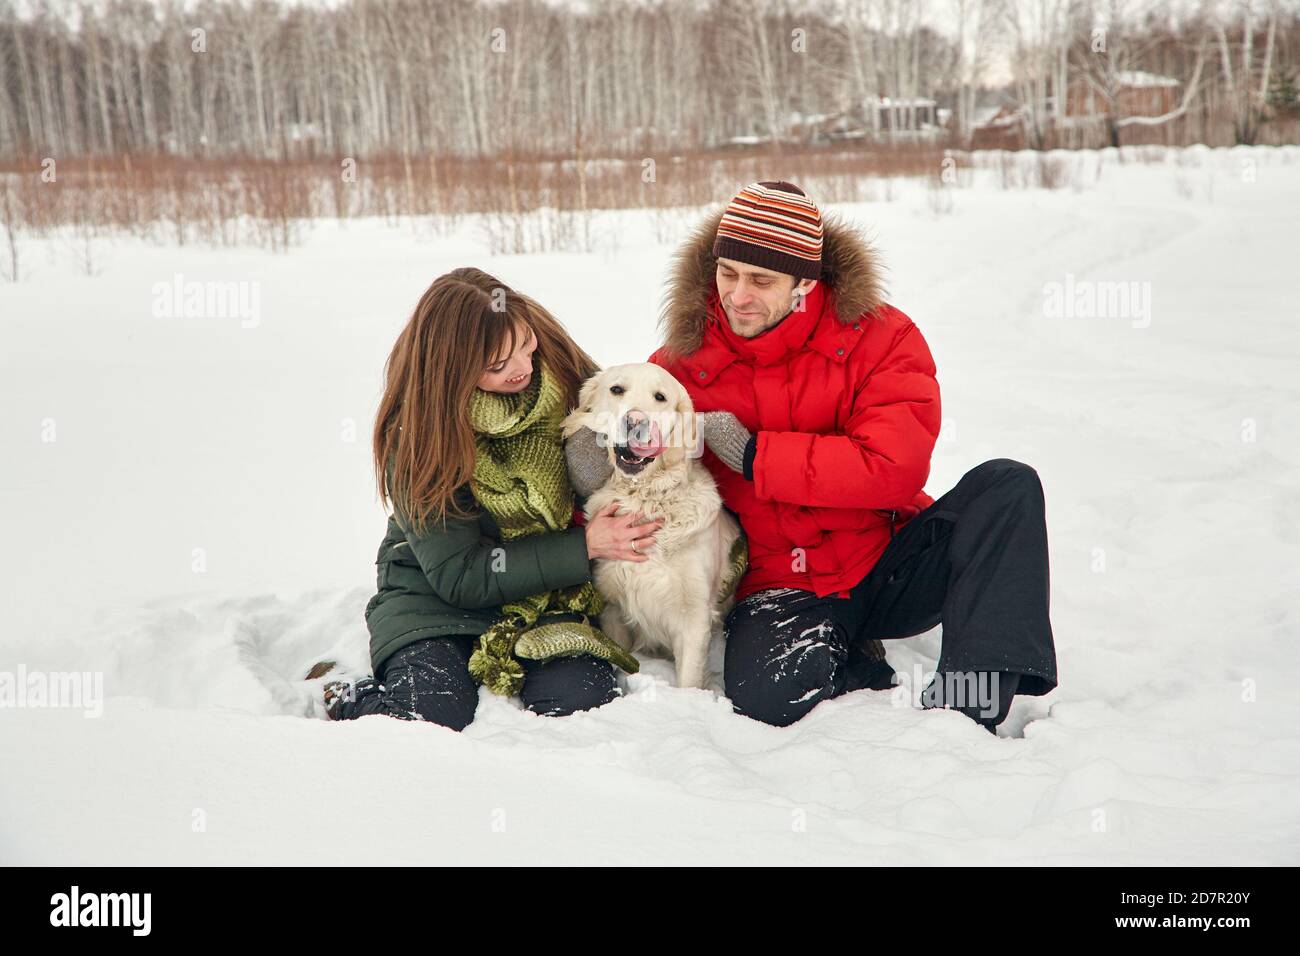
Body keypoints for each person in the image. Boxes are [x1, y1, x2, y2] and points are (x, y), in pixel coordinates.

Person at [567, 181, 1059, 733]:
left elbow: (893, 470)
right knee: (766, 701)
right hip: (780, 580)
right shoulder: (679, 366)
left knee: (1008, 485)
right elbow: (625, 429)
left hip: (888, 558)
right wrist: (589, 452)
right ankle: (854, 663)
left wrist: (753, 453)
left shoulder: (885, 338)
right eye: (727, 273)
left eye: (761, 280)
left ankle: (972, 699)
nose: (738, 295)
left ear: (806, 281)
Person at [310, 267, 661, 730]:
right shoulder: (419, 435)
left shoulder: (553, 358)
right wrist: (585, 546)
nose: (521, 368)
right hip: (436, 596)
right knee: (429, 714)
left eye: (525, 348)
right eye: (497, 365)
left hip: (552, 593)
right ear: (450, 371)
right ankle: (338, 687)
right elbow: (460, 576)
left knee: (581, 703)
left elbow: (620, 412)